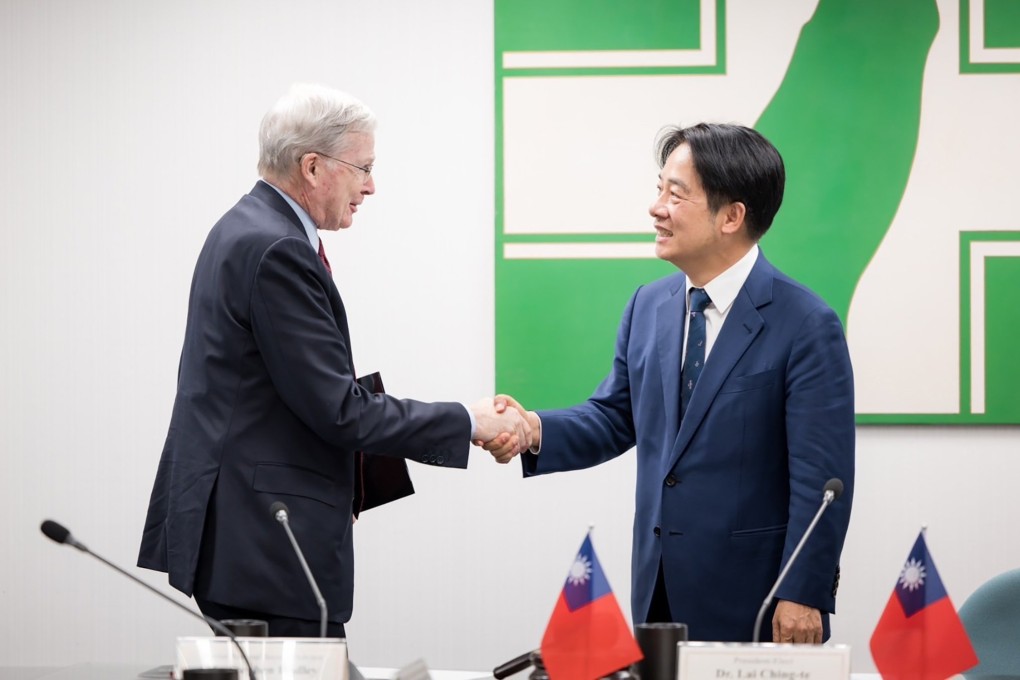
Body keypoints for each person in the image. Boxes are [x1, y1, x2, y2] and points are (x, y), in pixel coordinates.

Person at [137, 83, 530, 637]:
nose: (371, 186)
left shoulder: (248, 229)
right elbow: (337, 410)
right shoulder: (276, 248)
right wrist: (469, 421)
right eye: (363, 168)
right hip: (264, 545)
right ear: (314, 167)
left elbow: (292, 394)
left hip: (248, 537)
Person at [484, 123, 854, 644]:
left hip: (760, 600)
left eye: (675, 195)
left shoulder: (806, 324)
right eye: (659, 189)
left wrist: (804, 590)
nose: (656, 208)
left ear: (732, 216)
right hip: (657, 588)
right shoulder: (648, 305)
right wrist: (532, 429)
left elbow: (823, 482)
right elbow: (615, 416)